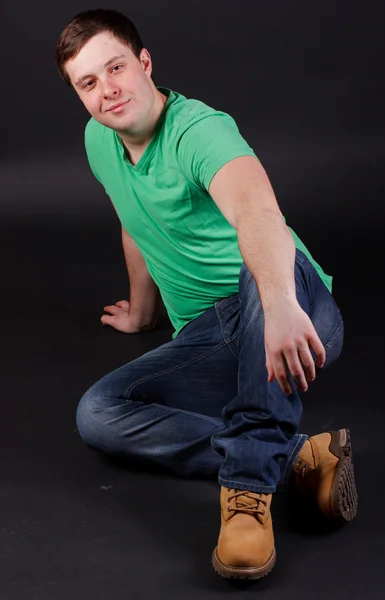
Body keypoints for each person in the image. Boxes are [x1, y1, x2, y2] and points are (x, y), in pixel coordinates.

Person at [56, 8, 358, 580]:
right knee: (97, 414)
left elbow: (258, 214)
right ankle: (302, 458)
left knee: (258, 264)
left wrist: (280, 308)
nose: (107, 91)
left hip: (291, 300)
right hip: (210, 333)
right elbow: (133, 216)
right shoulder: (101, 139)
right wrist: (143, 311)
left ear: (144, 63)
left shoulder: (199, 129)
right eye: (88, 83)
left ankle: (247, 492)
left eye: (115, 68)